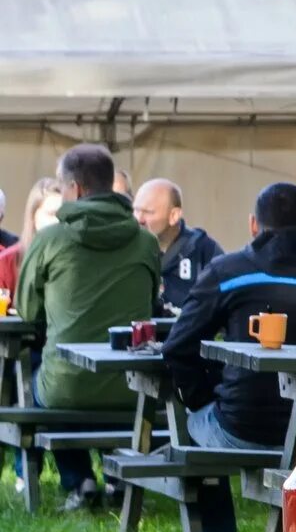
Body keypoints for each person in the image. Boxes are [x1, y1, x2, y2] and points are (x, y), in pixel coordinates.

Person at [164, 182, 296, 532]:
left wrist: (204, 397)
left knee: (188, 424)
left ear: (254, 225)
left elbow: (177, 347)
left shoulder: (227, 272)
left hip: (239, 428)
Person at [15, 146, 160, 512]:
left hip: (67, 390)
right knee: (88, 382)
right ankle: (115, 477)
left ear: (76, 189)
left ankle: (79, 480)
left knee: (39, 378)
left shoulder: (50, 241)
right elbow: (153, 303)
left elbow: (28, 311)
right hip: (132, 388)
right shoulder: (147, 242)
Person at [133, 178, 223, 314]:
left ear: (174, 215)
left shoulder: (203, 250)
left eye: (148, 212)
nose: (139, 219)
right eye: (136, 210)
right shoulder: (127, 249)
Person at [0, 177, 65, 301]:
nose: (58, 221)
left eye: (63, 215)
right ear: (33, 217)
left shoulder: (78, 258)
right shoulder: (7, 262)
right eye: (51, 214)